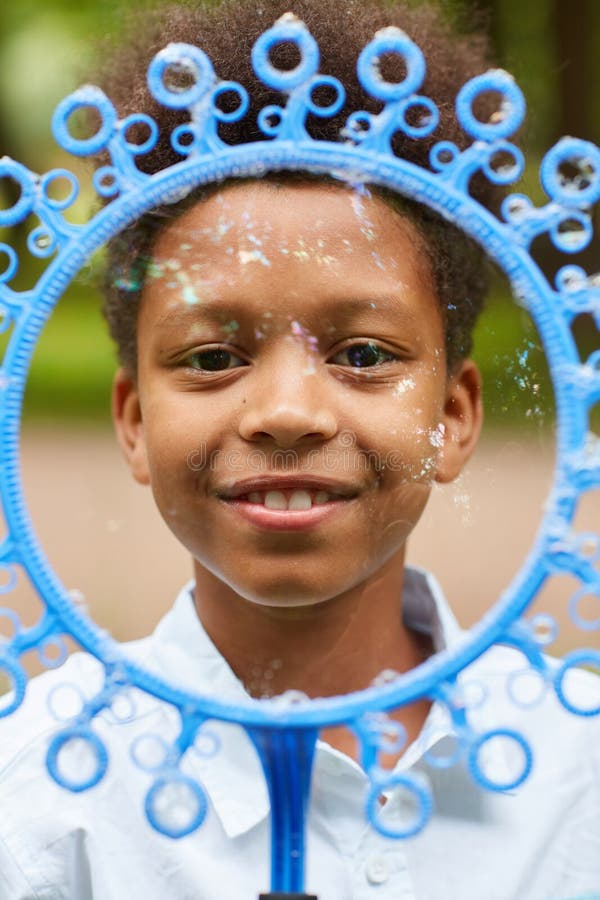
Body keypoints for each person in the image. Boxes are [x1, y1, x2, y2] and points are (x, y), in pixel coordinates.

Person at [0, 1, 599, 898]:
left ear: (457, 416)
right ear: (132, 420)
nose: (285, 412)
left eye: (363, 355)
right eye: (212, 358)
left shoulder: (577, 775)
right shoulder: (34, 795)